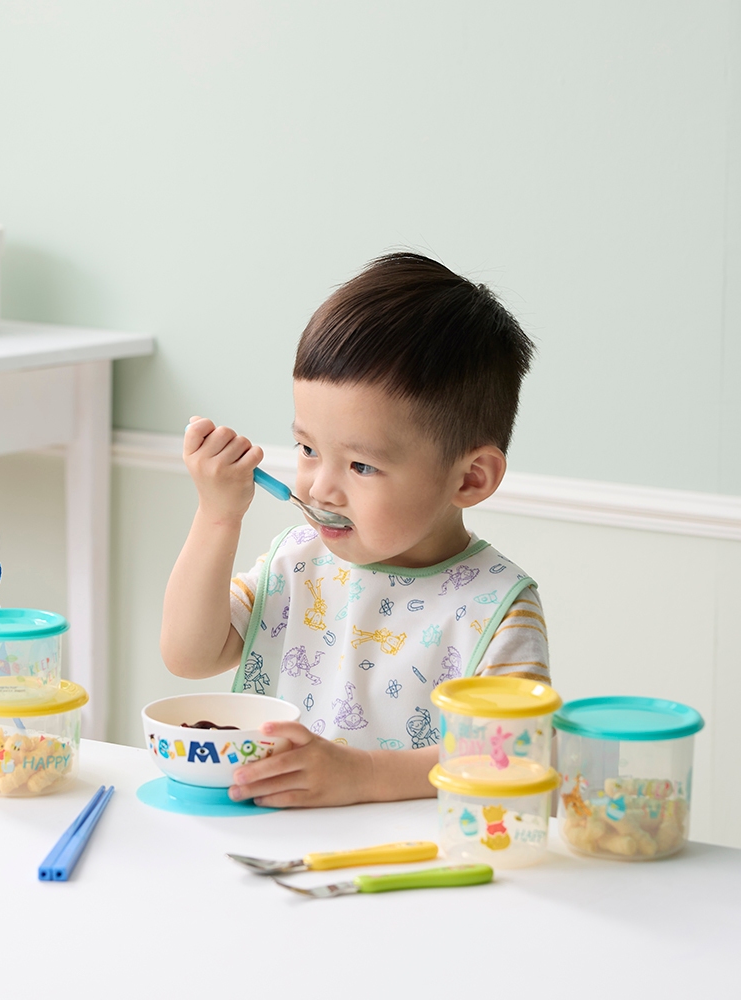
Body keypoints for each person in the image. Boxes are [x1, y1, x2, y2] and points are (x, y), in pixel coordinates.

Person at [161, 252, 548, 808]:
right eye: (308, 449)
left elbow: (512, 752)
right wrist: (218, 515)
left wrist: (362, 775)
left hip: (419, 855)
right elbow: (188, 655)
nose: (321, 488)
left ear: (470, 478)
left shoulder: (497, 608)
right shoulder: (296, 562)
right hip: (275, 843)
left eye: (361, 465)